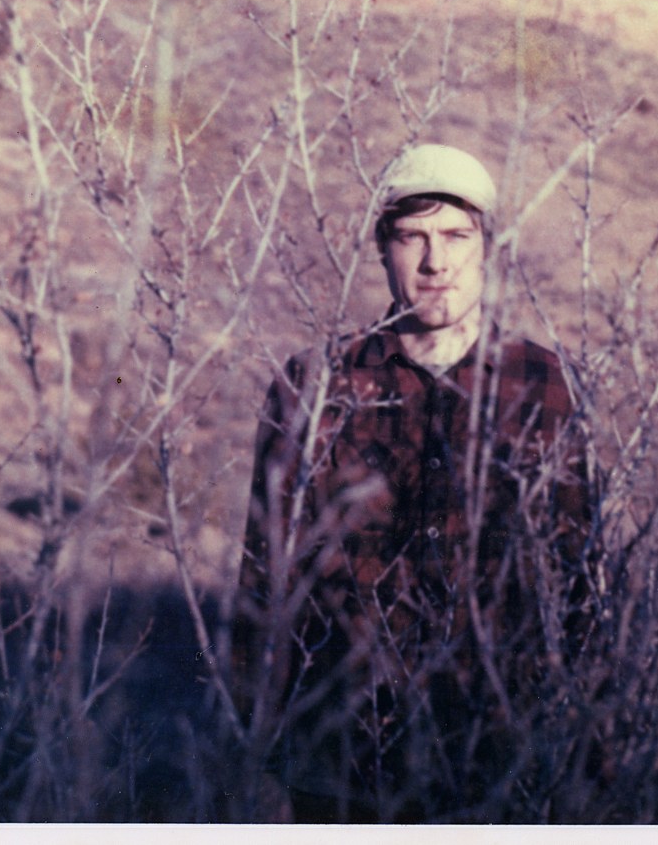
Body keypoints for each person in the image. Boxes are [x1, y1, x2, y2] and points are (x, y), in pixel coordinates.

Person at [231, 144, 593, 822]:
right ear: (382, 250)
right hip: (341, 749)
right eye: (412, 238)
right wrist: (253, 743)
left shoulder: (544, 385)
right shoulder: (315, 384)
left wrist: (581, 747)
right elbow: (265, 576)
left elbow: (578, 578)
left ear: (488, 248)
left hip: (493, 745)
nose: (436, 262)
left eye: (457, 236)